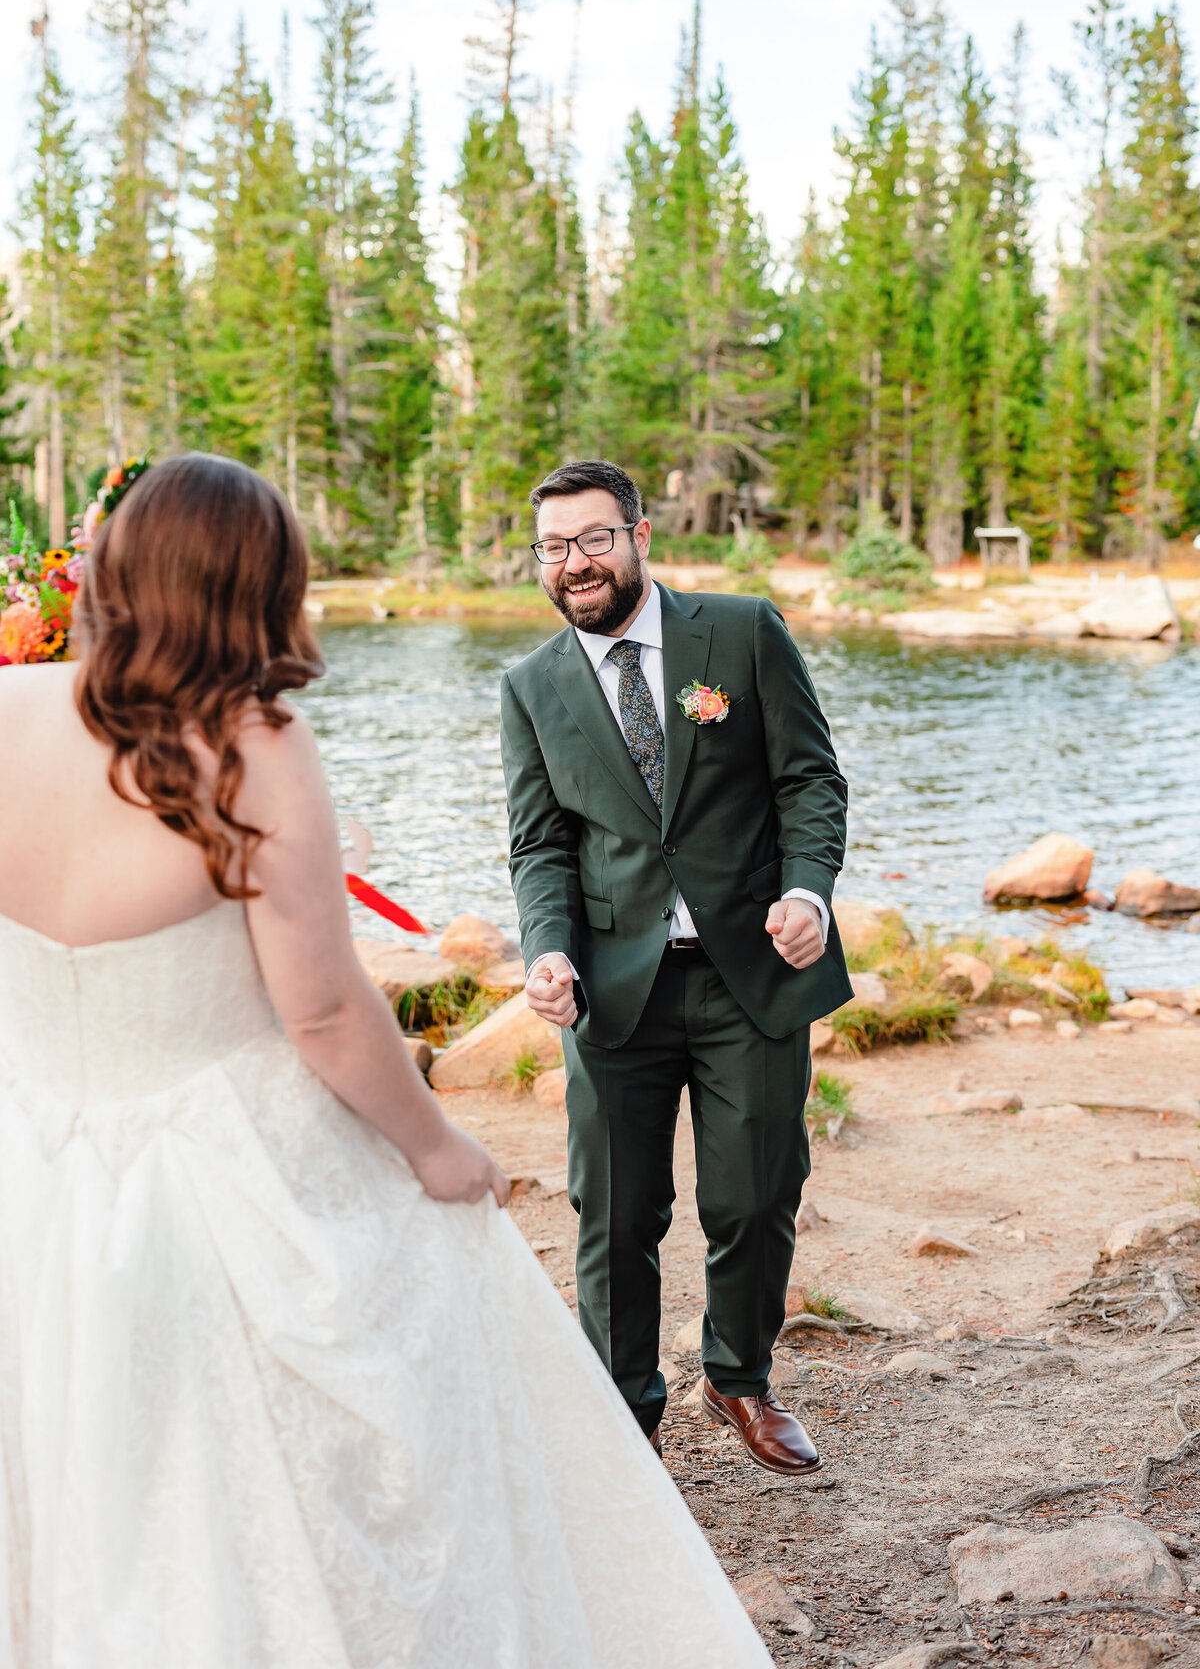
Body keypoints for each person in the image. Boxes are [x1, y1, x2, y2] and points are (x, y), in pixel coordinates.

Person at [0, 454, 773, 1667]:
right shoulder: (252, 745)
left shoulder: (8, 713)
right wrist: (437, 1146)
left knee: (73, 1455)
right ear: (264, 586)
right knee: (398, 1403)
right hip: (219, 1174)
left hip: (34, 1168)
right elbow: (321, 1012)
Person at [501, 460, 852, 1474]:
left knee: (754, 1195)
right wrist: (549, 950)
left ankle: (738, 1378)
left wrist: (808, 892)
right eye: (556, 547)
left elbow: (810, 779)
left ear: (641, 536)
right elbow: (540, 847)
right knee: (613, 1211)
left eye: (595, 538)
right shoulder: (530, 688)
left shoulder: (740, 633)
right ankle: (623, 1415)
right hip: (614, 989)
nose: (575, 563)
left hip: (754, 972)